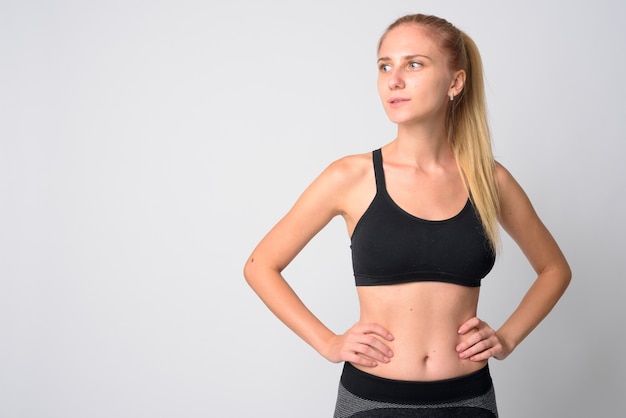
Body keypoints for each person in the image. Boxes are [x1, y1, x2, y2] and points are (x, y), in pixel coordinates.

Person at [243, 13, 571, 418]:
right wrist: (328, 342)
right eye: (385, 66)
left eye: (413, 64)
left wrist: (508, 337)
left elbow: (554, 269)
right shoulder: (351, 176)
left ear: (455, 82)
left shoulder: (490, 180)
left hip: (469, 401)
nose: (393, 80)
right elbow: (261, 265)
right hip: (372, 401)